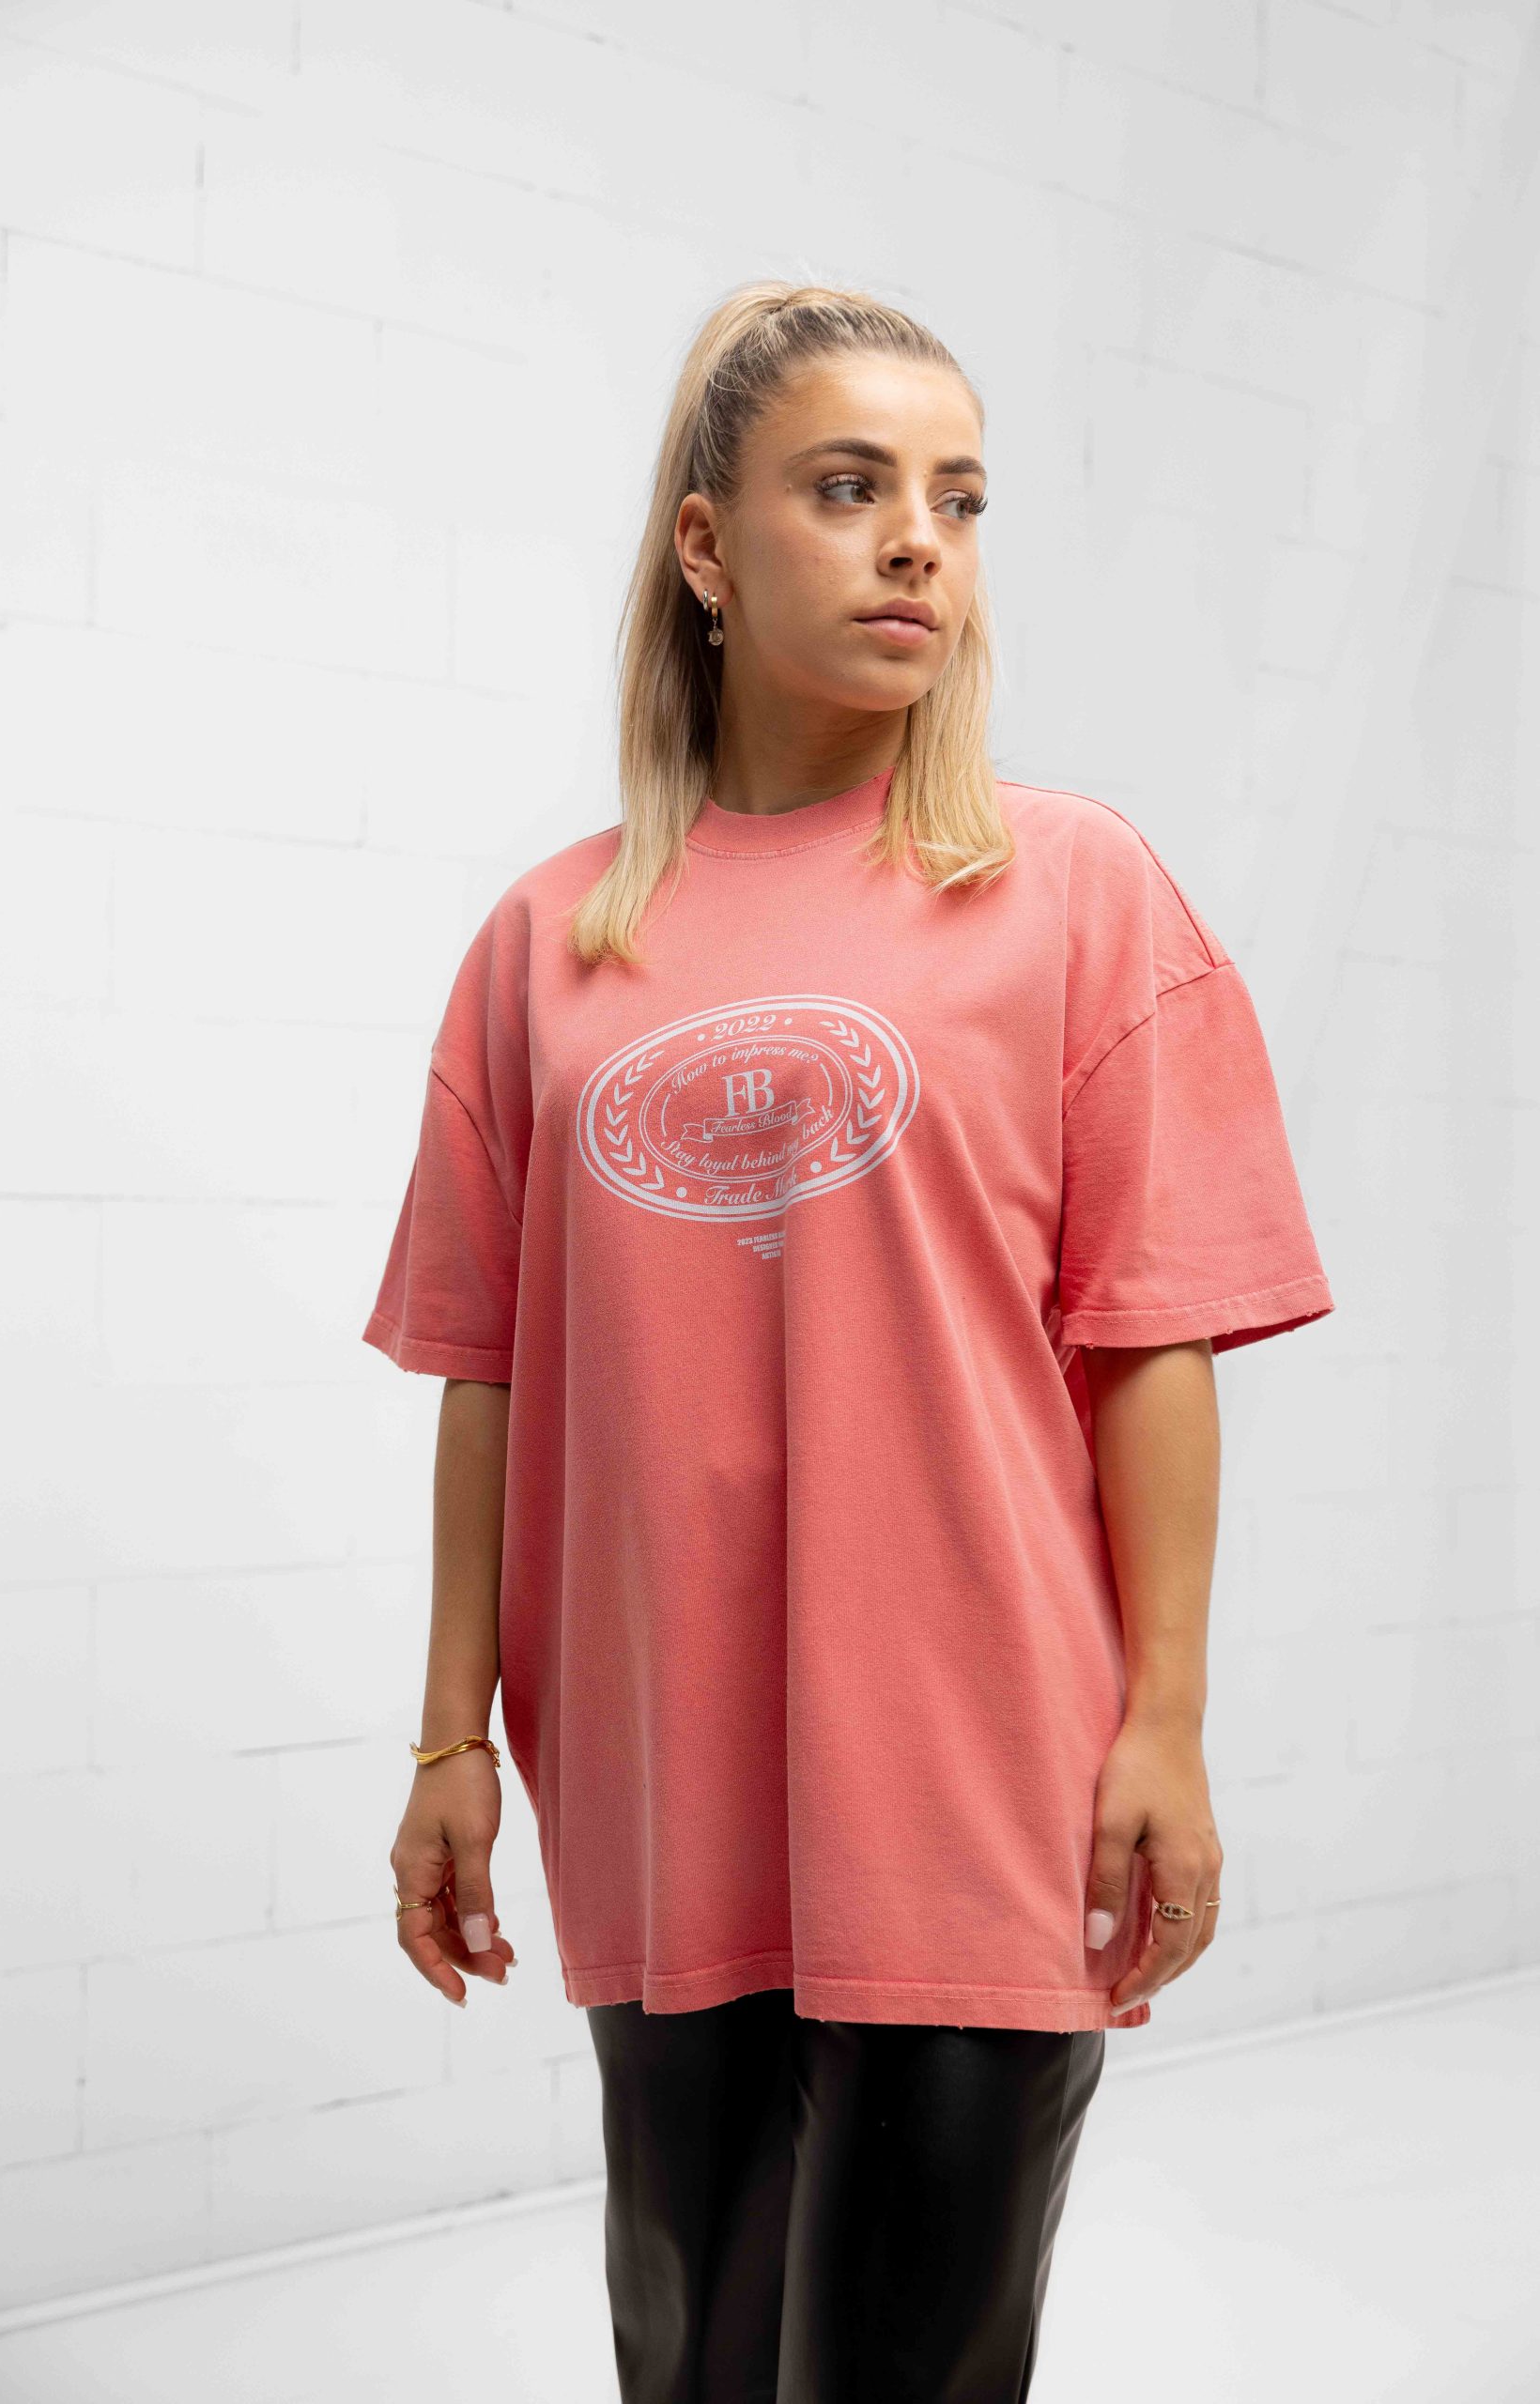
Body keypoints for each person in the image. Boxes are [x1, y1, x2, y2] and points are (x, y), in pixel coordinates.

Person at [362, 280, 1335, 2401]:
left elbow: (1150, 1342)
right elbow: (485, 1368)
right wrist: (450, 1743)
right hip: (657, 1784)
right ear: (706, 547)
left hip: (975, 1788)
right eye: (850, 486)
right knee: (690, 2373)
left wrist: (1164, 1720)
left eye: (958, 498)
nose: (918, 540)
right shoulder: (550, 940)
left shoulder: (1070, 889)